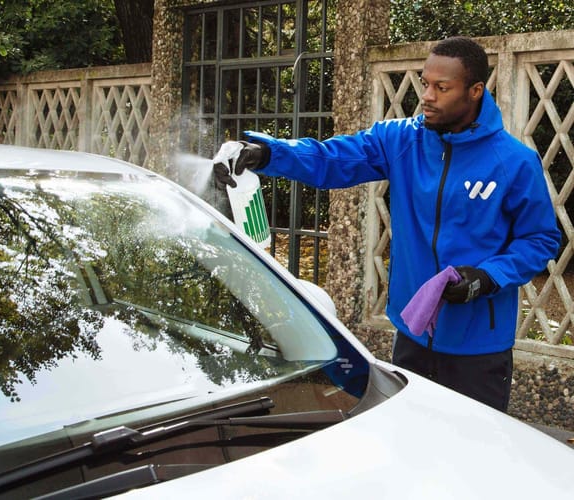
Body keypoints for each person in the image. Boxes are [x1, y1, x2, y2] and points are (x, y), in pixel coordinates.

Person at [213, 36, 561, 412]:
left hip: (479, 346)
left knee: (471, 458)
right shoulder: (400, 139)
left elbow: (540, 240)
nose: (426, 95)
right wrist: (268, 154)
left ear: (475, 91)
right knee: (410, 445)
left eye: (441, 88)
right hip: (411, 333)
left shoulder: (514, 161)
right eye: (425, 83)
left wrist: (487, 277)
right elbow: (331, 159)